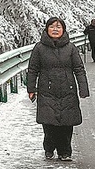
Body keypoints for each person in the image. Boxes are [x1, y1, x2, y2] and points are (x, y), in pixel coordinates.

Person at [26, 17, 90, 161]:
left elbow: (79, 69)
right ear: (47, 29)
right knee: (49, 122)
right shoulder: (39, 48)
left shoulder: (71, 48)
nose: (55, 29)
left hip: (67, 89)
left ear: (63, 30)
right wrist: (31, 88)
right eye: (52, 27)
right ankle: (49, 148)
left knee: (67, 123)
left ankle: (65, 151)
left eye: (58, 27)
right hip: (46, 89)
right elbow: (33, 69)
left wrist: (83, 88)